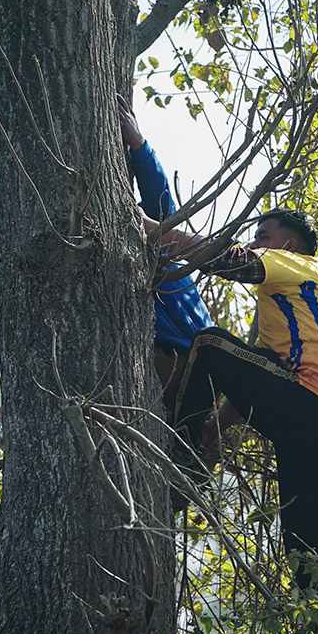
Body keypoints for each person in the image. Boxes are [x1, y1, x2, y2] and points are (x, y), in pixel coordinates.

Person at [143, 206, 318, 593]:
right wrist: (214, 429)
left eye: (263, 236)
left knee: (209, 341)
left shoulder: (298, 265)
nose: (255, 243)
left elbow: (228, 259)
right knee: (304, 553)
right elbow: (254, 380)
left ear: (289, 245)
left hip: (311, 407)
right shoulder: (293, 309)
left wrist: (151, 228)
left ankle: (186, 457)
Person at [119, 94, 213, 415]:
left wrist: (140, 145)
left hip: (194, 363)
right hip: (181, 367)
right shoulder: (122, 267)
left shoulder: (163, 250)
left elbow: (162, 209)